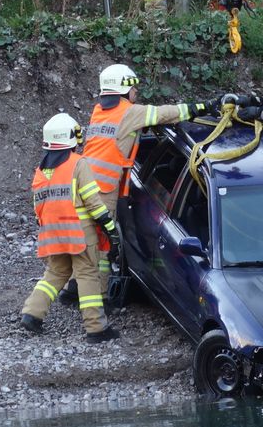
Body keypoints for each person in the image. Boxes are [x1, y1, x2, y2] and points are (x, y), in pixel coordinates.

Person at [58, 64, 214, 307]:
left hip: (80, 182)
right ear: (124, 88)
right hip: (101, 190)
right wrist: (202, 107)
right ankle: (97, 300)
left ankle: (72, 288)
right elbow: (167, 113)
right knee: (101, 244)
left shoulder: (100, 110)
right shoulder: (130, 113)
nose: (136, 93)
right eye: (134, 88)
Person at [19, 113, 120, 343]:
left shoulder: (42, 170)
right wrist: (110, 228)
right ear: (69, 138)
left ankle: (32, 314)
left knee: (55, 274)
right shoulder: (78, 163)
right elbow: (93, 202)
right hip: (79, 234)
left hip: (52, 234)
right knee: (87, 275)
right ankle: (96, 328)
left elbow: (39, 207)